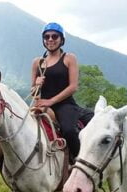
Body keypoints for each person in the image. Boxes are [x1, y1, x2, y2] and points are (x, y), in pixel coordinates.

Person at [31, 22, 93, 160]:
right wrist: (36, 84)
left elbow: (73, 86)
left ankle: (79, 161)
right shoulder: (37, 62)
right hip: (42, 104)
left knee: (69, 131)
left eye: (54, 36)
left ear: (61, 39)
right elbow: (33, 90)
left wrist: (51, 101)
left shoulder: (69, 58)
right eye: (47, 37)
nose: (50, 39)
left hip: (64, 105)